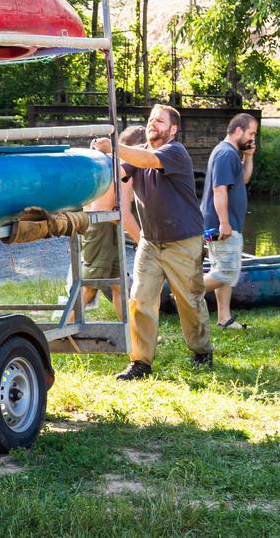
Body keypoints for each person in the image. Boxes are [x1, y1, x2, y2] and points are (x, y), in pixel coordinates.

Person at [113, 104, 213, 380]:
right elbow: (120, 172)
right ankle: (141, 362)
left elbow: (146, 161)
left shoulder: (175, 152)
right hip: (150, 242)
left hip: (183, 241)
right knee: (139, 299)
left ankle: (202, 350)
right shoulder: (140, 152)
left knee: (189, 301)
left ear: (173, 129)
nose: (153, 124)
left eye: (160, 121)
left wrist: (112, 146)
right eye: (151, 119)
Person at [79, 127, 145, 320]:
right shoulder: (121, 167)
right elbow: (123, 213)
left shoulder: (108, 162)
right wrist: (143, 244)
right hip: (100, 226)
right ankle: (62, 329)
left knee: (118, 284)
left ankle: (130, 332)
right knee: (90, 286)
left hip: (105, 224)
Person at [201, 113, 257, 331]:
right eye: (251, 133)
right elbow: (219, 189)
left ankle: (224, 318)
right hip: (220, 225)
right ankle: (187, 292)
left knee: (221, 269)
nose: (253, 138)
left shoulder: (233, 154)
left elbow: (243, 179)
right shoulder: (225, 154)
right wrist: (224, 223)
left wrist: (249, 156)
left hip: (221, 224)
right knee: (227, 272)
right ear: (238, 131)